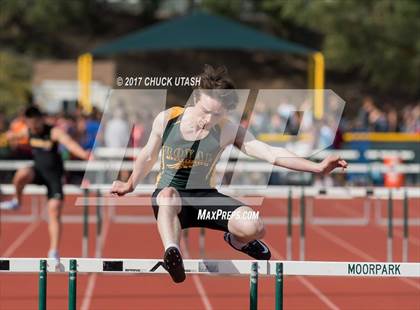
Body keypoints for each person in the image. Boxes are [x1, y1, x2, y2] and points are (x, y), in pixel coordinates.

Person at [110, 65, 347, 283]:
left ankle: (236, 240)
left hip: (204, 199)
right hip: (171, 200)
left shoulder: (227, 128)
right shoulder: (168, 118)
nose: (208, 120)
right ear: (196, 98)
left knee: (255, 227)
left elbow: (269, 152)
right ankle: (173, 253)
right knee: (168, 195)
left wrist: (317, 167)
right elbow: (148, 155)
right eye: (205, 112)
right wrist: (130, 183)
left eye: (216, 115)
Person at [1, 106, 91, 262]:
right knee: (21, 173)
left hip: (53, 177)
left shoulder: (53, 132)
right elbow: (11, 136)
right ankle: (17, 201)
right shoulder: (28, 131)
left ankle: (54, 250)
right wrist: (8, 136)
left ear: (41, 120)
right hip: (38, 173)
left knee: (54, 212)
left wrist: (83, 154)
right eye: (30, 125)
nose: (33, 128)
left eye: (35, 124)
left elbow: (69, 143)